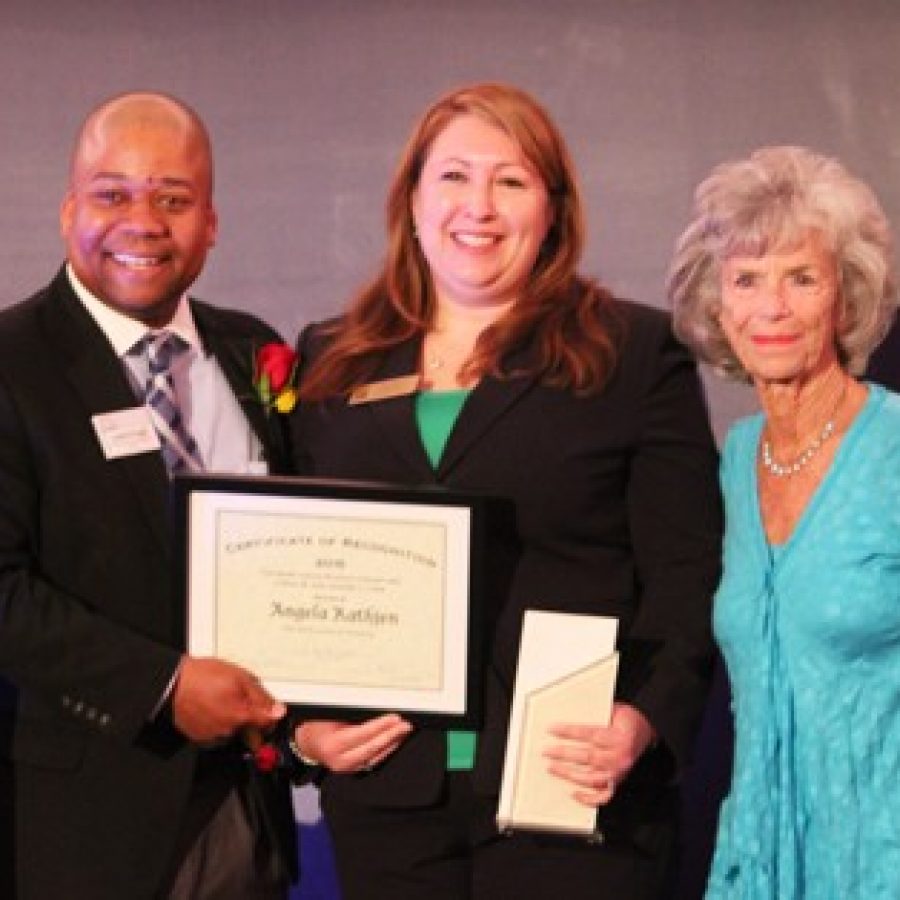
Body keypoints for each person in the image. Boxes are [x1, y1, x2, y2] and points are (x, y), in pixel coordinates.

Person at [288, 82, 722, 900]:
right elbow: (291, 574)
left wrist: (644, 720)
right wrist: (303, 731)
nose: (478, 207)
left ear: (552, 209)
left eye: (511, 181)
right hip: (388, 796)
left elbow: (687, 571)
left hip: (570, 787)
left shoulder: (631, 352)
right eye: (452, 177)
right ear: (412, 201)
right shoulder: (330, 361)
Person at [0, 92, 299, 899]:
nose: (145, 221)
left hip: (249, 812)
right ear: (69, 212)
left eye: (174, 198)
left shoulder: (254, 351)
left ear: (211, 222)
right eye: (113, 194)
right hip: (79, 824)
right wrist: (165, 687)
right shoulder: (11, 362)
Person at [669, 145, 900, 899]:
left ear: (845, 296)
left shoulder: (893, 447)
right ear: (717, 305)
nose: (771, 308)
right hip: (758, 857)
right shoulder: (738, 461)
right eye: (746, 280)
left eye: (801, 278)